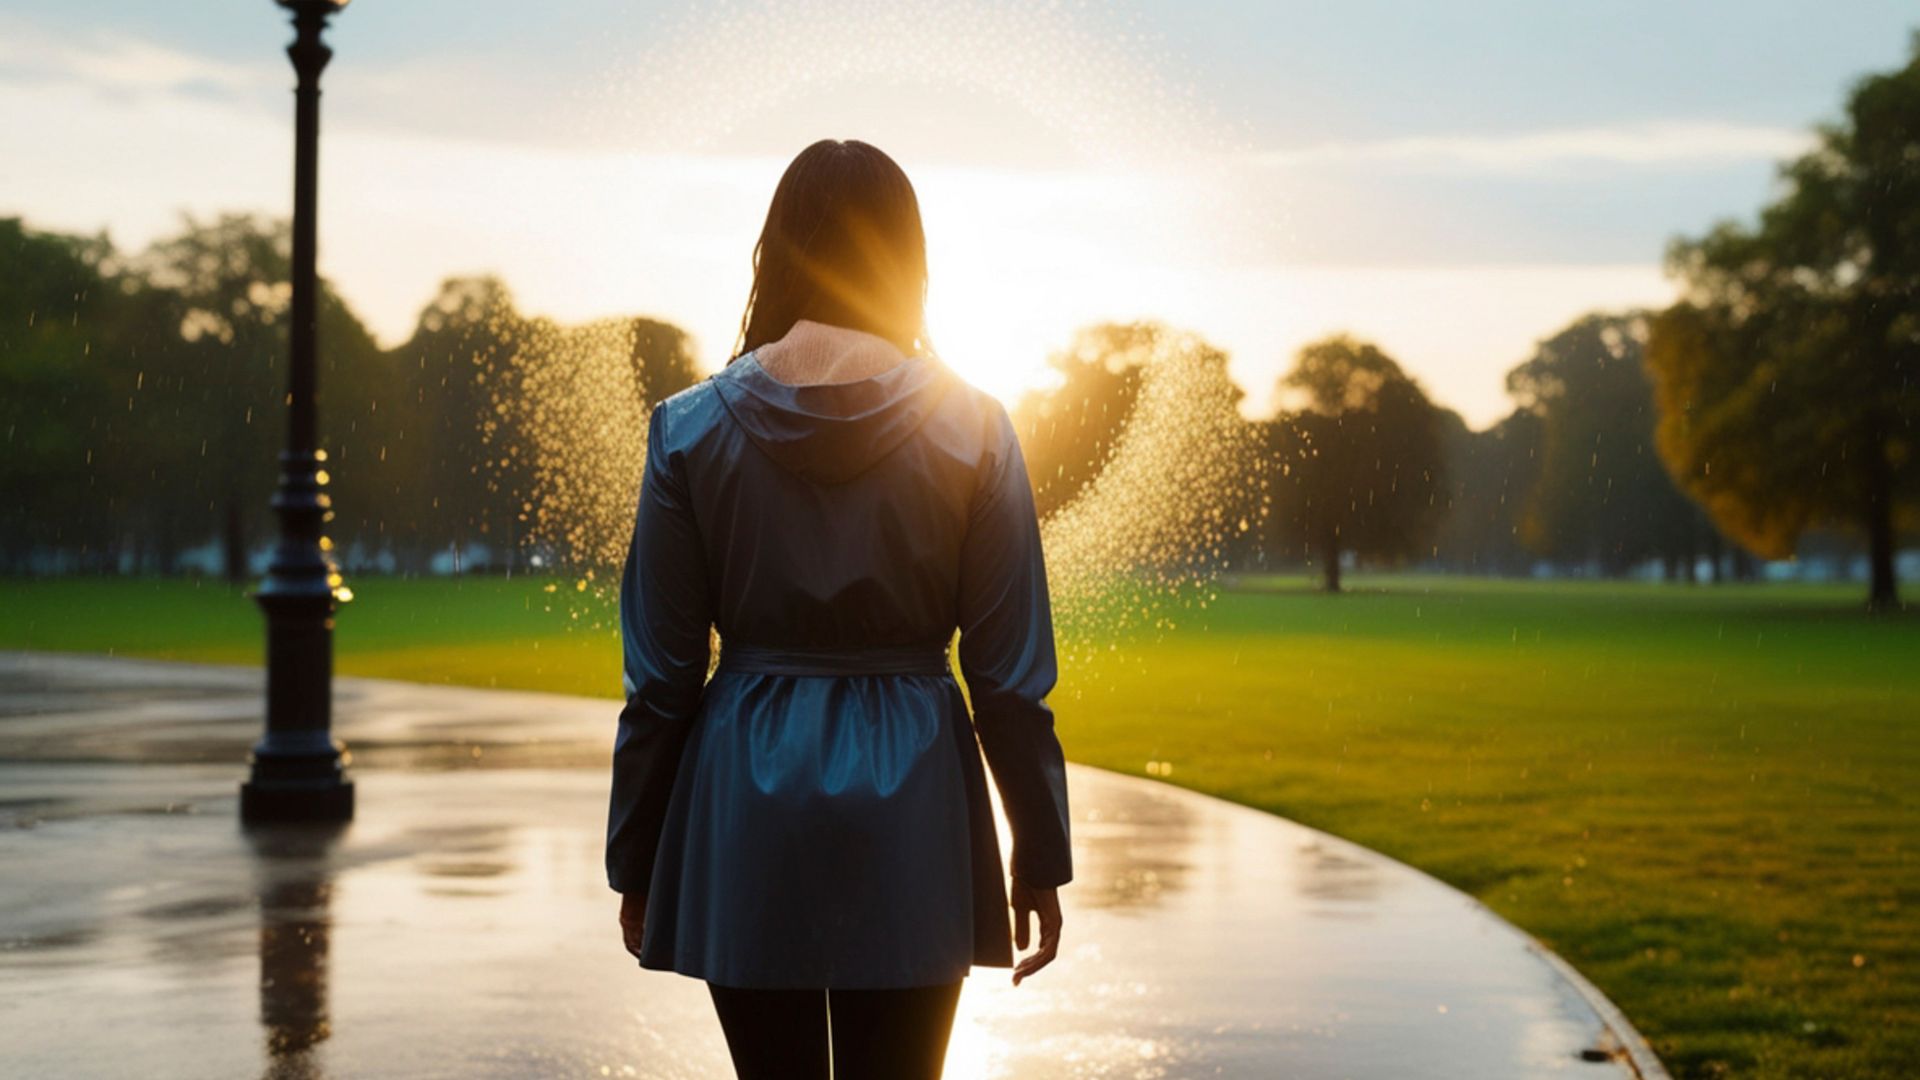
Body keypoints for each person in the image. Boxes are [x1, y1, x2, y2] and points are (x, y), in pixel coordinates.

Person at [606, 138, 1073, 1080]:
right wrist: (1039, 851)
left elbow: (660, 680)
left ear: (777, 249)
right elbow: (1008, 678)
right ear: (908, 261)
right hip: (917, 801)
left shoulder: (688, 428)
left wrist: (636, 855)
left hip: (743, 796)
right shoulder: (975, 428)